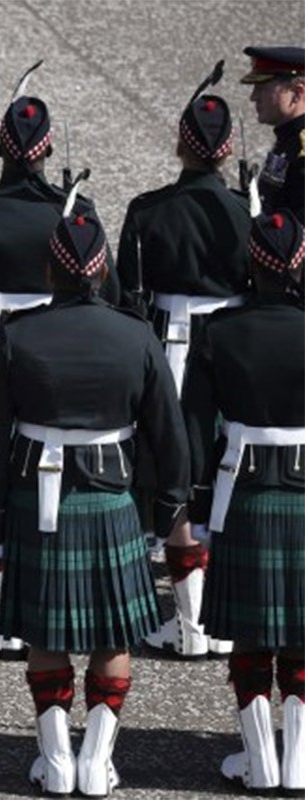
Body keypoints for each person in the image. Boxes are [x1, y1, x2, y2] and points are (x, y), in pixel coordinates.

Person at [0, 193, 189, 797]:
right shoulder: (136, 335)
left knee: (45, 634)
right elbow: (167, 431)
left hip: (33, 498)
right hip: (110, 498)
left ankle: (57, 761)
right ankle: (95, 761)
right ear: (99, 270)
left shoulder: (17, 337)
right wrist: (170, 502)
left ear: (50, 270)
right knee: (113, 636)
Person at [0, 69, 116, 658]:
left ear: (0, 147)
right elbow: (104, 294)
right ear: (47, 150)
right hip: (64, 346)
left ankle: (5, 612)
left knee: (2, 475)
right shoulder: (75, 210)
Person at [115, 65, 251, 660]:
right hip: (236, 346)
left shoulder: (149, 212)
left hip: (171, 345)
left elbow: (128, 295)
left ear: (179, 143)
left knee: (177, 474)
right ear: (226, 151)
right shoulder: (248, 215)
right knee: (227, 469)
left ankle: (192, 618)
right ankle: (220, 613)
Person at [183, 210, 304, 795]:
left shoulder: (219, 333)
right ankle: (300, 765)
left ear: (251, 264)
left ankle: (261, 765)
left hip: (243, 488)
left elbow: (196, 426)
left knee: (252, 634)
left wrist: (198, 506)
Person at [241, 46, 304, 220]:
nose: (253, 97)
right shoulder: (287, 140)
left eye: (262, 88)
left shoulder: (301, 150)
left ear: (297, 93)